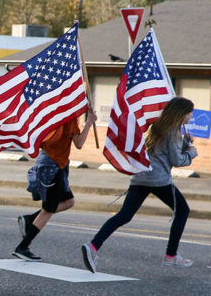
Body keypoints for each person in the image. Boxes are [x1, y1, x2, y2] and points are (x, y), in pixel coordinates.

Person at [81, 97, 197, 273]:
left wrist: (185, 142)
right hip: (158, 180)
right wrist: (191, 153)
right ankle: (171, 256)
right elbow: (176, 160)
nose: (191, 115)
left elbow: (163, 150)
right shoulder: (173, 131)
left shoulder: (157, 126)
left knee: (124, 215)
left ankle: (93, 246)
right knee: (182, 210)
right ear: (182, 113)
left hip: (140, 176)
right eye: (190, 112)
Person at [13, 109, 97, 261]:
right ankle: (23, 246)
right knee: (48, 209)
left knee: (69, 202)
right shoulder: (69, 118)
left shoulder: (53, 113)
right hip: (52, 166)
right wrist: (89, 122)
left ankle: (29, 219)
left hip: (57, 164)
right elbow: (79, 143)